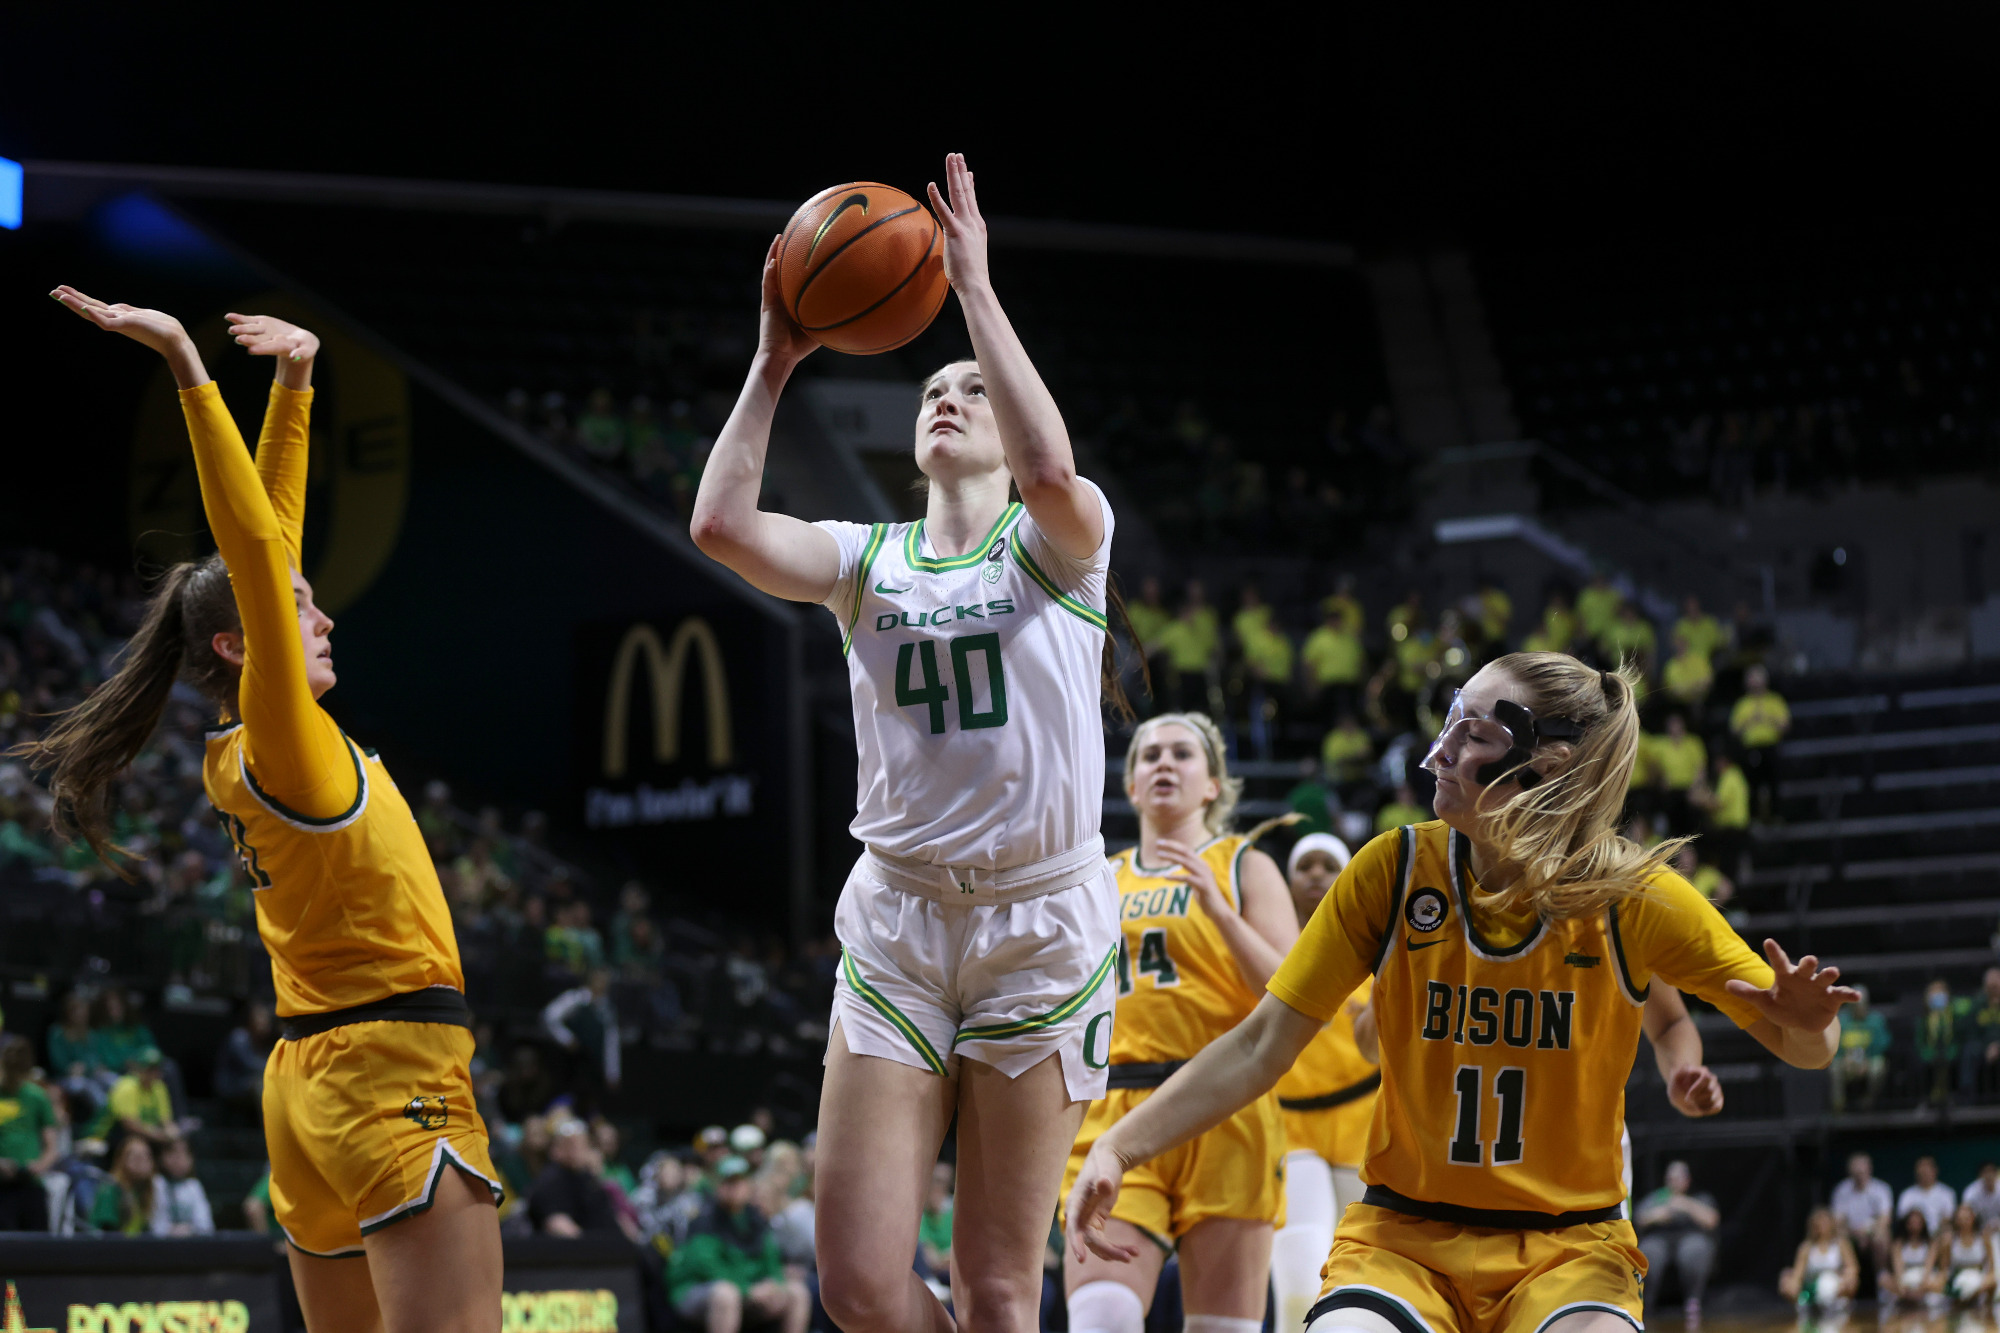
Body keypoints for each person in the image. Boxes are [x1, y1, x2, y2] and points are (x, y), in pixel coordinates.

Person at [1066, 654, 1856, 1333]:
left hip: (1571, 1244)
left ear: (1543, 768)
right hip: (1402, 1237)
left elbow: (1800, 1045)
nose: (1438, 753)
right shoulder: (1391, 869)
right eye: (1449, 722)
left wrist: (1812, 1024)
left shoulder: (1634, 895)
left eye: (1472, 734)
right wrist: (1120, 1143)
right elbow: (1261, 1041)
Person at [690, 154, 1128, 1333]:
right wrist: (774, 361)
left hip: (1036, 924)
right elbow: (721, 524)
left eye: (970, 389)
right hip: (896, 918)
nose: (948, 395)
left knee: (994, 1289)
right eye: (932, 386)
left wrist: (974, 291)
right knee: (862, 1286)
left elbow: (1047, 465)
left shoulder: (1060, 544)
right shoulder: (864, 557)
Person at [29, 291, 501, 1331]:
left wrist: (295, 384)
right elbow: (253, 545)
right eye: (299, 611)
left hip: (307, 1087)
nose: (324, 615)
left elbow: (268, 546)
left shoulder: (244, 752)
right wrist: (188, 369)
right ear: (243, 650)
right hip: (389, 1074)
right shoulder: (283, 736)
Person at [1059, 713, 1299, 1333]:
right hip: (1116, 1106)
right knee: (1101, 1319)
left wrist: (1219, 911)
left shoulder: (1245, 864)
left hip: (1225, 1105)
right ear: (1132, 786)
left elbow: (1294, 996)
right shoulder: (1098, 879)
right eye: (1150, 755)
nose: (1164, 763)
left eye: (1182, 754)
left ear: (1214, 784)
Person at [1271, 834, 1379, 1333]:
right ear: (1288, 882)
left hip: (1365, 1119)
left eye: (1328, 864)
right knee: (1298, 1268)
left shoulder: (1378, 946)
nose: (1316, 874)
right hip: (1292, 1126)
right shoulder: (1268, 946)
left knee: (1362, 1265)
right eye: (1305, 865)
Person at [669, 1156, 810, 1333]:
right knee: (726, 1294)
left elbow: (771, 1259)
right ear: (717, 1185)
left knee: (796, 1292)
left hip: (747, 1291)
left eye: (739, 1182)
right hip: (695, 1291)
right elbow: (709, 1269)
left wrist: (774, 1284)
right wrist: (748, 1289)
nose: (734, 1188)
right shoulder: (704, 1219)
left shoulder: (755, 1217)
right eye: (728, 1182)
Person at [1633, 1162, 1718, 1325]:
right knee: (1649, 1251)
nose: (1675, 1181)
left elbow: (1712, 1220)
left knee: (1695, 1250)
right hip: (1661, 1239)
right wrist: (1659, 1215)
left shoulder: (1699, 1197)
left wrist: (1685, 1205)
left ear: (1688, 1180)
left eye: (1679, 1178)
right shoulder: (1658, 1197)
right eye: (1671, 1178)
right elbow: (1639, 1218)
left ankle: (1693, 1301)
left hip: (1690, 1237)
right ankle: (1645, 1302)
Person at [0, 1035, 59, 1231]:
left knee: (37, 1248)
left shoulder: (37, 1097)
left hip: (31, 1183)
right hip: (1, 1185)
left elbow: (52, 1147)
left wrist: (40, 1165)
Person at [528, 1118, 622, 1238]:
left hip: (610, 1247)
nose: (578, 1149)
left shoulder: (589, 1178)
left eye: (583, 1144)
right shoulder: (550, 1180)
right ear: (555, 1149)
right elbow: (557, 1224)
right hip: (579, 1252)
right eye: (571, 1145)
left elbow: (612, 1216)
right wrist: (593, 1247)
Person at [1728, 665, 1790, 820]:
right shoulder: (1742, 704)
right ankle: (1754, 817)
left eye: (1758, 678)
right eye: (1752, 679)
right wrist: (1749, 721)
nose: (1755, 683)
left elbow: (1786, 725)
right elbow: (1734, 729)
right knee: (1752, 785)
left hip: (1770, 746)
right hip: (1751, 748)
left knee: (1773, 783)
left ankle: (1776, 817)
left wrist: (1768, 719)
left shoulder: (1775, 701)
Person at [1829, 1152, 1894, 1286]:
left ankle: (1882, 1280)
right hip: (1850, 1233)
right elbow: (1837, 1221)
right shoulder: (1841, 1190)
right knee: (1837, 1236)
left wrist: (1867, 1233)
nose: (1859, 1174)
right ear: (1850, 1171)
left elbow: (1884, 1220)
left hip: (1872, 1232)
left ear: (1869, 1169)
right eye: (1856, 1171)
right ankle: (1842, 1283)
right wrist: (1855, 1234)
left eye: (1862, 1170)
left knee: (1881, 1236)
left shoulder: (1881, 1189)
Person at [1780, 1207, 1858, 1311]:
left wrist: (1845, 1279)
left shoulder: (1841, 1244)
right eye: (1818, 1223)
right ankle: (1806, 1304)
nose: (1822, 1226)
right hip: (1810, 1289)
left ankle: (1838, 1304)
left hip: (1836, 1287)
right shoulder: (1806, 1247)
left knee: (1852, 1282)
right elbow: (1798, 1275)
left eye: (1824, 1222)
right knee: (1785, 1278)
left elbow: (1852, 1267)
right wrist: (1792, 1285)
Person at [1830, 987, 1890, 1112]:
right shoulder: (1841, 1020)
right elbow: (1833, 1045)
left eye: (1862, 1004)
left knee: (1878, 1067)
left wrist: (1867, 1060)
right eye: (1857, 1004)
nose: (1860, 1008)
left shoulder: (1876, 1021)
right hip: (1846, 1062)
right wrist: (1844, 1059)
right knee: (1834, 1068)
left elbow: (1883, 1044)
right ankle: (1838, 1105)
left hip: (1868, 1060)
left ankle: (1869, 1101)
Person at [213, 998, 276, 1113]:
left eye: (266, 1018)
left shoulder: (264, 1040)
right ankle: (268, 1129)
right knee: (260, 1086)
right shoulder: (239, 1037)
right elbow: (249, 1064)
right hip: (233, 1084)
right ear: (250, 1018)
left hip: (249, 1082)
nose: (264, 1021)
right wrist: (278, 1067)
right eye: (260, 1017)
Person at [157, 1137, 215, 1236]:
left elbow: (206, 1225)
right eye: (172, 1153)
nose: (178, 1159)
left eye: (184, 1154)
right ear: (162, 1157)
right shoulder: (157, 1184)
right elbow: (155, 1226)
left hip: (191, 1244)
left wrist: (189, 1229)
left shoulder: (194, 1186)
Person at [1939, 1202, 1992, 1304]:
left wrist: (1980, 1283)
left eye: (1966, 1218)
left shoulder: (1984, 1238)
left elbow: (1991, 1268)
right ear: (1956, 1220)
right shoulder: (1949, 1240)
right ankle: (1957, 1297)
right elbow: (1944, 1268)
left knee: (1993, 1280)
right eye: (1960, 1219)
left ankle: (1982, 1304)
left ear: (1973, 1218)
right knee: (1934, 1283)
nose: (1963, 1222)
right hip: (1956, 1278)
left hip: (1979, 1278)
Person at [1959, 968, 2000, 1101]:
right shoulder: (1978, 1004)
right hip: (1983, 1047)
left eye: (1996, 984)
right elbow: (1971, 1032)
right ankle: (1968, 1098)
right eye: (1991, 985)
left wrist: (1997, 1046)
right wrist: (1987, 1046)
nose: (1994, 987)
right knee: (1970, 1050)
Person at [1886, 1209, 1939, 1307]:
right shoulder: (1898, 1244)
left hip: (1924, 1279)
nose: (1915, 1226)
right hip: (1905, 1279)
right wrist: (1902, 1287)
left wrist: (1922, 1287)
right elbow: (1898, 1269)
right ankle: (1906, 1298)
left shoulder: (1930, 1244)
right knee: (1884, 1279)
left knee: (1939, 1281)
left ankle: (1917, 1299)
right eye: (1912, 1223)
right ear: (1906, 1224)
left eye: (1918, 1223)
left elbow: (1928, 1268)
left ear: (1923, 1224)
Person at [1899, 1155, 1958, 1236]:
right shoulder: (1907, 1194)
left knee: (1948, 1233)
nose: (1924, 1171)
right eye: (1921, 1167)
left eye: (1928, 1167)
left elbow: (1948, 1219)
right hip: (1914, 1236)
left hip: (1938, 1235)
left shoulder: (1947, 1193)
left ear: (1935, 1170)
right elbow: (1903, 1220)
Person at [1961, 1161, 2000, 1232]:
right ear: (1980, 1175)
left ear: (1996, 1174)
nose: (1989, 1176)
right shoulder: (1971, 1192)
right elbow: (1965, 1215)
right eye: (1986, 1172)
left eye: (1992, 1172)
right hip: (1976, 1231)